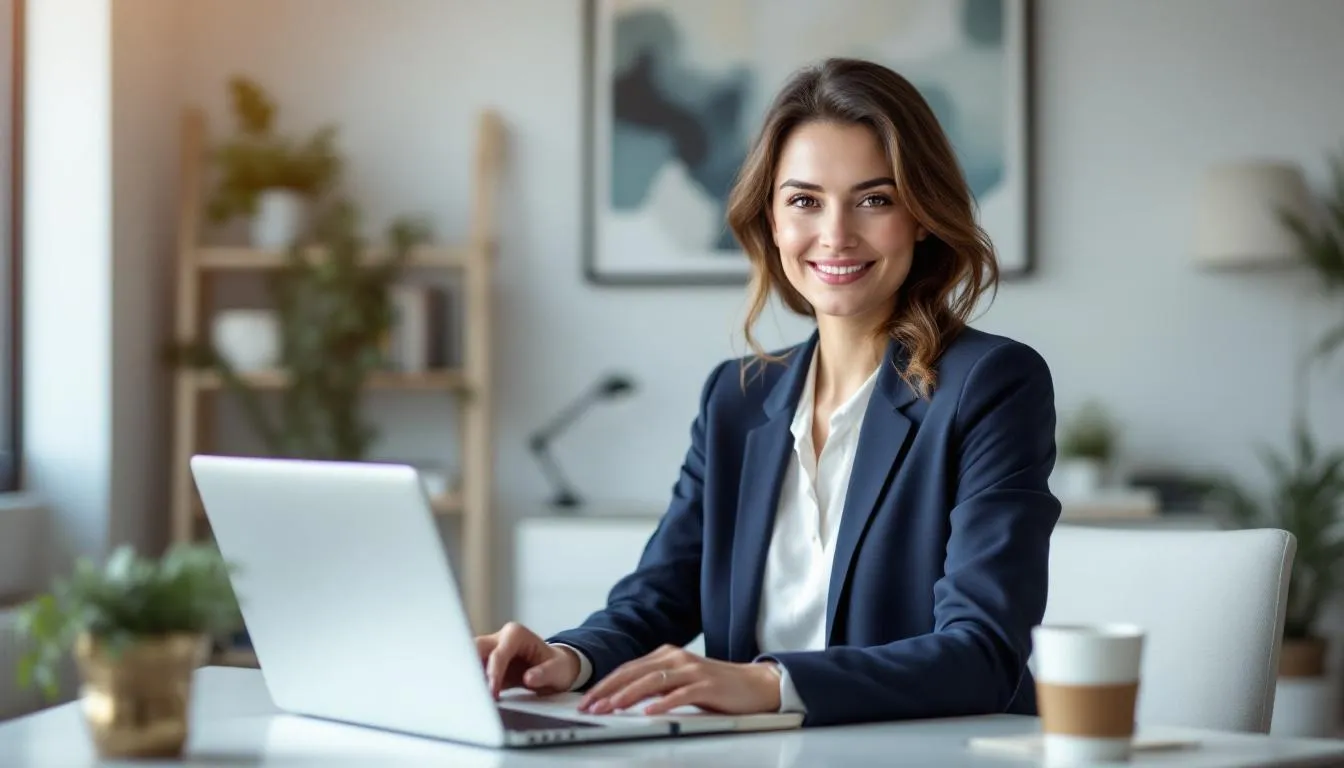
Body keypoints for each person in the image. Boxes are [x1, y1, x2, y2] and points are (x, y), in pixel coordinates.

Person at [476, 57, 1061, 728]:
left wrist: (768, 682)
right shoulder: (737, 395)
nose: (835, 235)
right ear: (772, 220)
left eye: (875, 199)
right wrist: (565, 657)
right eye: (805, 201)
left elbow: (983, 652)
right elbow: (659, 597)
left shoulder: (991, 384)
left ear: (921, 215)